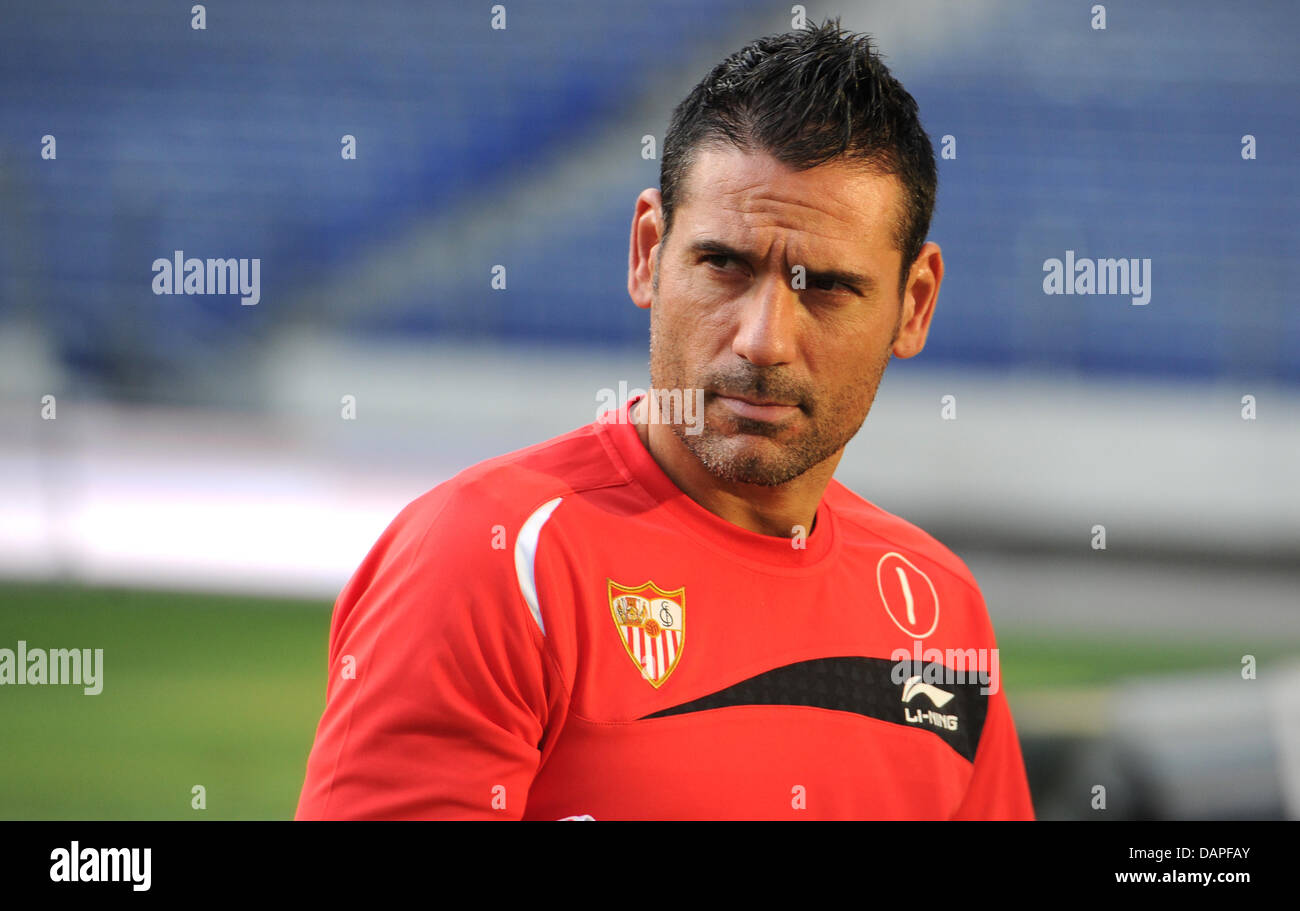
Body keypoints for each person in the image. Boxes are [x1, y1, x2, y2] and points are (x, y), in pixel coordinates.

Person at [295, 19, 1034, 820]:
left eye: (823, 285)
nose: (764, 341)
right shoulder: (492, 560)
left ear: (914, 304)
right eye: (724, 264)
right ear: (649, 251)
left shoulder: (941, 611)